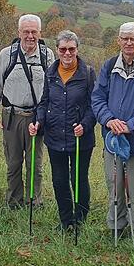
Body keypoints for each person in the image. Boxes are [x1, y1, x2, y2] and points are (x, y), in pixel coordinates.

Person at [91, 22, 134, 238]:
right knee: (115, 186)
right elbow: (97, 98)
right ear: (119, 40)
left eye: (133, 38)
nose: (128, 42)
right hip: (112, 138)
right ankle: (115, 227)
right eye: (125, 38)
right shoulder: (109, 66)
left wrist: (130, 126)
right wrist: (109, 120)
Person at [28, 30, 96, 231]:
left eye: (71, 49)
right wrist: (38, 121)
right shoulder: (50, 73)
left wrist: (85, 125)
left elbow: (95, 105)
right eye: (63, 49)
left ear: (77, 50)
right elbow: (44, 102)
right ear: (57, 50)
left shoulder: (88, 73)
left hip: (80, 138)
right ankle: (66, 220)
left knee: (79, 179)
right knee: (59, 180)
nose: (67, 53)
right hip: (55, 136)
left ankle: (80, 218)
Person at [0, 14, 55, 209]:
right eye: (26, 31)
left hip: (37, 118)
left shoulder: (47, 55)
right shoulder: (6, 54)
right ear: (19, 33)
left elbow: (53, 88)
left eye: (34, 32)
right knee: (14, 163)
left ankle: (34, 202)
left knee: (35, 165)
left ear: (40, 33)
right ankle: (14, 202)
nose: (30, 36)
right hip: (11, 116)